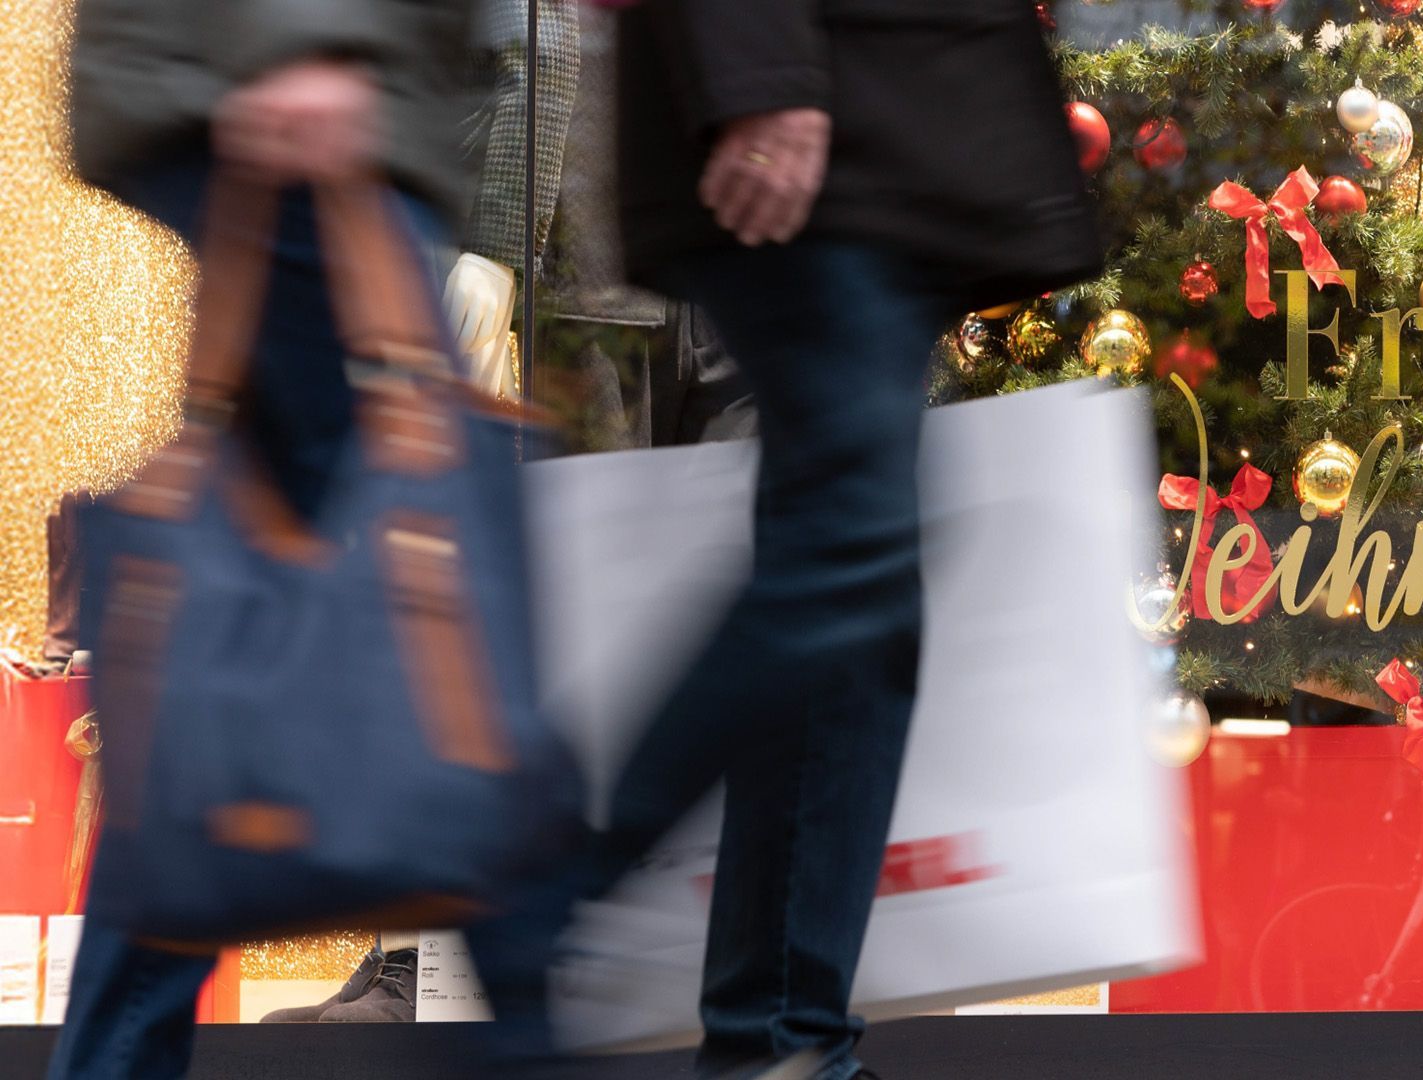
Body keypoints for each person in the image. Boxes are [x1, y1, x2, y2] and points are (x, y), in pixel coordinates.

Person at [463, 4, 1104, 1078]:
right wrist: (761, 77)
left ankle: (782, 1041)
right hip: (826, 119)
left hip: (890, 130)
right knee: (851, 553)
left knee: (860, 581)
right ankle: (550, 885)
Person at [55, 2, 484, 1076]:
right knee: (433, 598)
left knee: (267, 633)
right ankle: (500, 970)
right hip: (300, 89)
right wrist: (309, 40)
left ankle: (451, 962)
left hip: (324, 92)